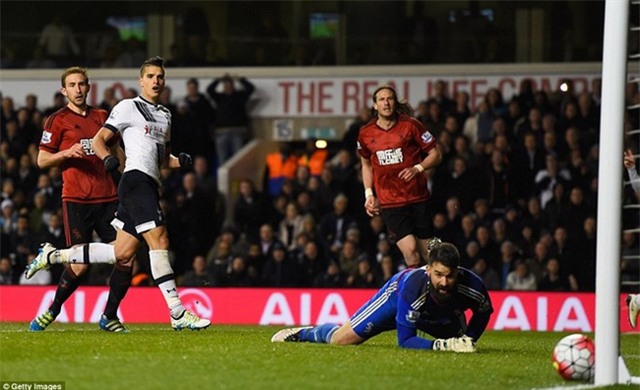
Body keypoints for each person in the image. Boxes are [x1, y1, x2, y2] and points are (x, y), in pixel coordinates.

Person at [26, 57, 210, 331]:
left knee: (123, 254)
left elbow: (154, 156)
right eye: (151, 76)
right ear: (141, 80)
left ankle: (57, 260)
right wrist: (97, 157)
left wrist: (176, 161)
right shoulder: (123, 108)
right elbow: (53, 156)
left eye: (160, 76)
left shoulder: (163, 115)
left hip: (120, 191)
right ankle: (177, 311)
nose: (156, 81)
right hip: (100, 191)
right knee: (159, 239)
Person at [29, 66, 132, 333]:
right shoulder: (57, 120)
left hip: (108, 198)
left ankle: (109, 316)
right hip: (76, 199)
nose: (78, 89)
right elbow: (42, 160)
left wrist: (125, 178)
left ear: (88, 87)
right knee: (80, 264)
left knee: (126, 256)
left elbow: (117, 149)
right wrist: (66, 153)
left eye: (82, 84)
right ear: (64, 90)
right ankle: (53, 310)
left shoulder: (102, 116)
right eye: (72, 85)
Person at [271, 240, 493, 352]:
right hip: (395, 299)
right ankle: (305, 333)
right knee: (341, 340)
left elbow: (483, 311)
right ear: (428, 270)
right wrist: (441, 346)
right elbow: (405, 341)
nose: (444, 282)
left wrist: (470, 338)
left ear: (458, 271)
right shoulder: (412, 287)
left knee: (461, 344)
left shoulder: (473, 285)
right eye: (438, 275)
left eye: (450, 276)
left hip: (439, 315)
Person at [357, 85, 442, 268]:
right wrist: (369, 194)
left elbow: (436, 154)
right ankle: (416, 294)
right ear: (374, 105)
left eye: (390, 99)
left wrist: (417, 168)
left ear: (395, 102)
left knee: (430, 253)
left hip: (418, 197)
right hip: (390, 202)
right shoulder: (365, 133)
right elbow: (366, 164)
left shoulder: (411, 125)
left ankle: (434, 291)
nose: (386, 103)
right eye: (381, 99)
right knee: (410, 250)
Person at [206, 73, 255, 166]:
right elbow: (209, 90)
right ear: (223, 87)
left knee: (238, 159)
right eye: (226, 85)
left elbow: (251, 88)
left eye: (230, 85)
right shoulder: (219, 97)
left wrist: (240, 79)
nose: (228, 87)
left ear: (233, 86)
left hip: (237, 131)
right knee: (222, 160)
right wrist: (218, 80)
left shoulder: (239, 96)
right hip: (221, 132)